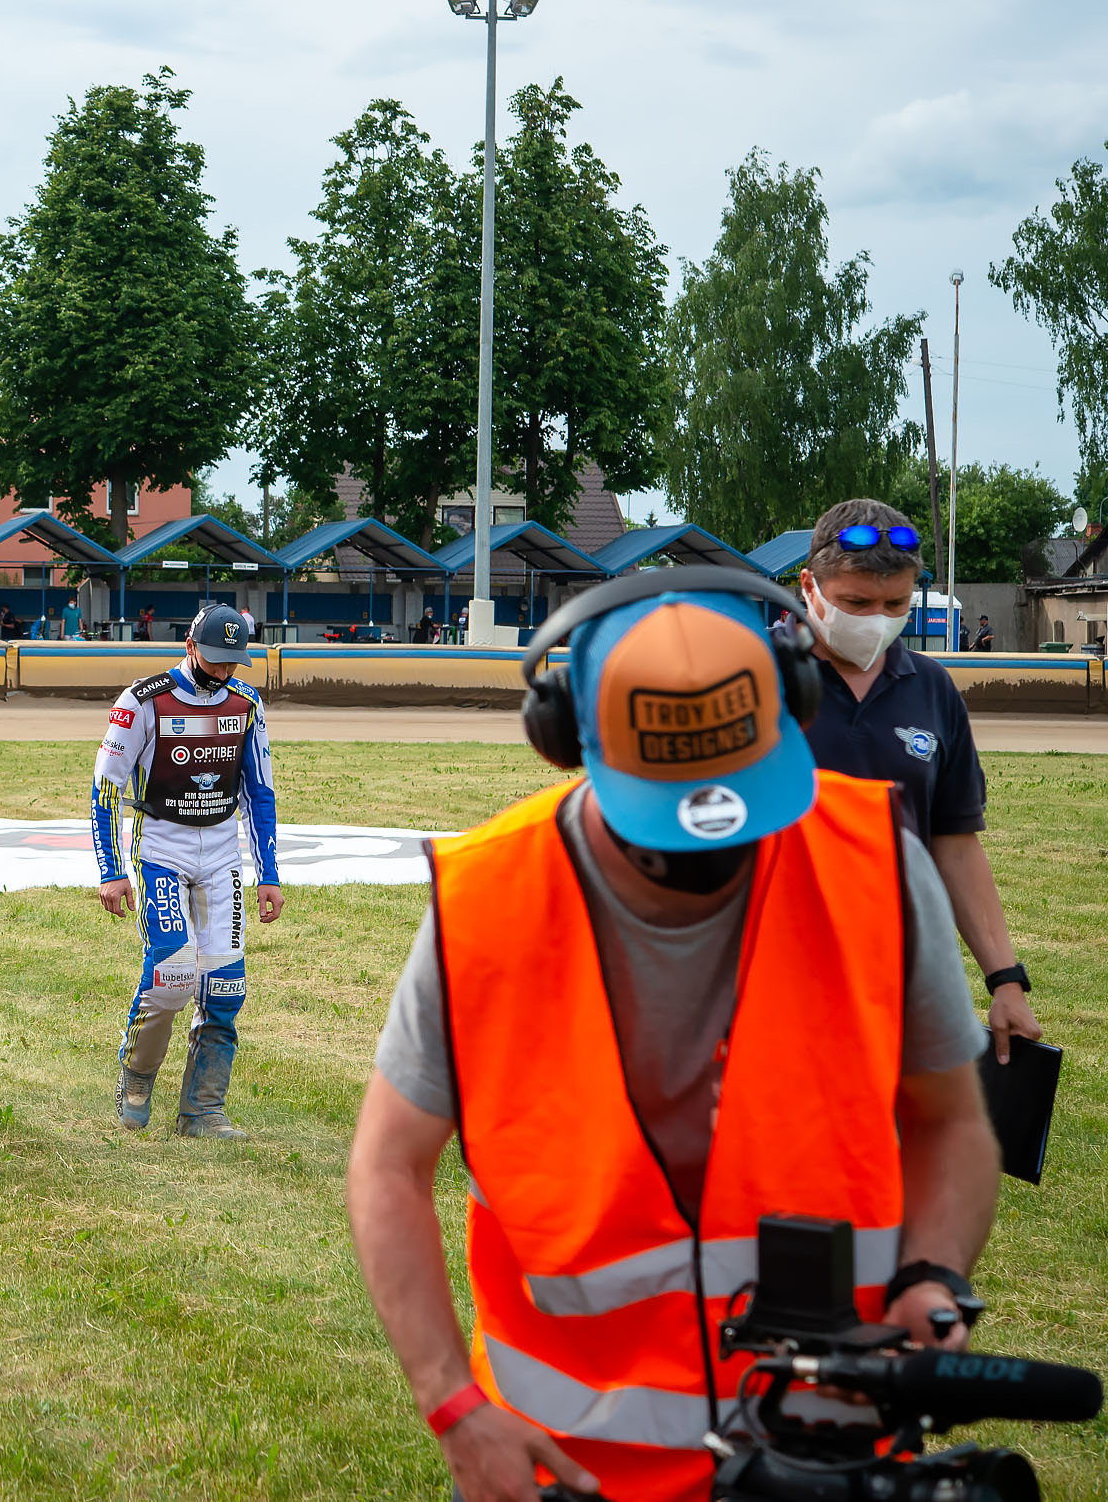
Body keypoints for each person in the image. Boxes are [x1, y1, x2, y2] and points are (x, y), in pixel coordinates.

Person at [348, 568, 997, 1502]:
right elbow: (387, 1164)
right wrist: (451, 1403)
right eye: (672, 830)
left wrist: (933, 1277)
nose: (710, 859)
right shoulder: (489, 903)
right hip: (574, 1471)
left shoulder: (873, 865)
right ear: (573, 742)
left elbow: (952, 1119)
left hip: (829, 1449)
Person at [794, 500, 1042, 1055]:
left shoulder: (931, 689)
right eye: (855, 603)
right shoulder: (747, 678)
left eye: (896, 603)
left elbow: (953, 843)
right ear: (809, 585)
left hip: (901, 983)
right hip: (773, 979)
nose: (877, 619)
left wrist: (1004, 977)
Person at [92, 604, 282, 1137]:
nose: (223, 671)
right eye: (215, 659)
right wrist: (111, 870)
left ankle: (203, 1108)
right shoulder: (141, 701)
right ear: (189, 645)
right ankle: (136, 1079)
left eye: (233, 663)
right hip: (161, 849)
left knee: (225, 988)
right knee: (173, 976)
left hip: (222, 854)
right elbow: (106, 787)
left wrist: (268, 873)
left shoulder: (247, 705)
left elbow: (260, 793)